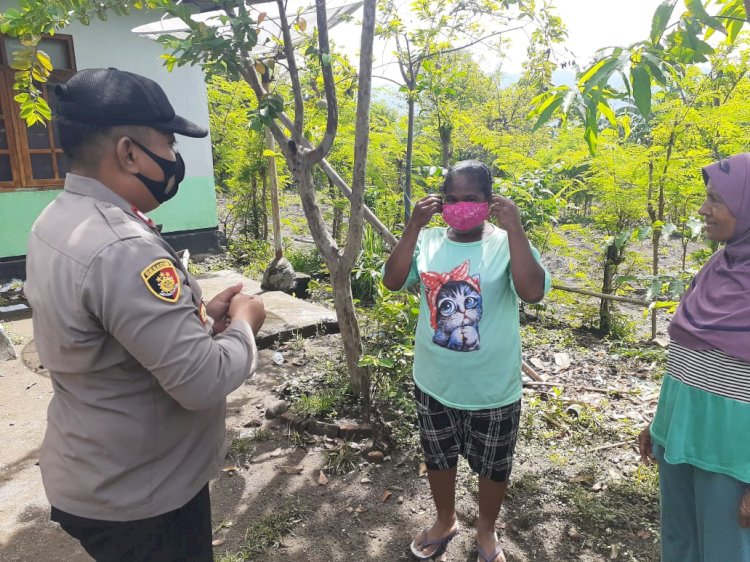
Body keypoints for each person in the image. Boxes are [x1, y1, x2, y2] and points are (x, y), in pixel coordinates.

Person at [24, 68, 266, 561]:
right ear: (129, 151)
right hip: (142, 500)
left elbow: (115, 332)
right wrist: (243, 322)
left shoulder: (58, 219)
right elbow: (201, 382)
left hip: (99, 469)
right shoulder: (122, 248)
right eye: (171, 143)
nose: (176, 159)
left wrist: (198, 315)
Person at [383, 160, 550, 562]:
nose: (461, 207)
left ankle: (487, 531)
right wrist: (412, 228)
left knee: (494, 465)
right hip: (434, 381)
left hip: (492, 387)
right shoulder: (430, 242)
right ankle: (445, 520)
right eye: (452, 199)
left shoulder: (505, 243)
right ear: (441, 202)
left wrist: (516, 229)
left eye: (471, 199)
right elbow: (392, 281)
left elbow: (531, 292)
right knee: (438, 456)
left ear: (489, 202)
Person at [638, 153, 750, 562]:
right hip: (678, 435)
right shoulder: (717, 265)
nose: (704, 209)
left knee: (726, 552)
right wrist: (660, 419)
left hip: (733, 454)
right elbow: (689, 351)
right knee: (680, 544)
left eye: (717, 200)